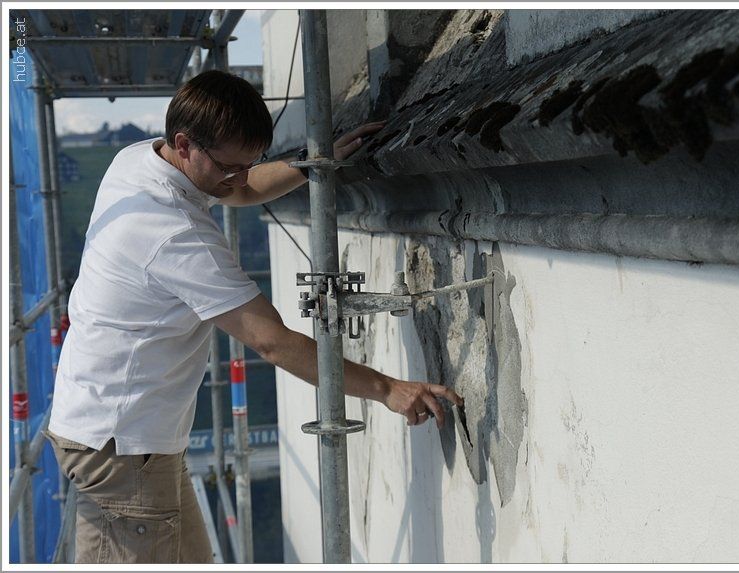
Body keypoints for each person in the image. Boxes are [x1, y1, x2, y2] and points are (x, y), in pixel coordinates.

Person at [45, 69, 463, 564]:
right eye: (230, 166)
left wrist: (310, 163)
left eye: (250, 164)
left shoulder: (139, 159)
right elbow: (271, 341)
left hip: (131, 439)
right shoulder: (173, 233)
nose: (241, 178)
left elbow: (236, 191)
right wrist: (387, 389)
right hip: (122, 450)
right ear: (184, 144)